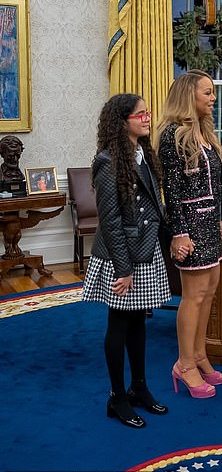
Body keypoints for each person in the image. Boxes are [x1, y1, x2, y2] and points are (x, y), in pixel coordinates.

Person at [82, 94, 171, 429]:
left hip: (145, 250)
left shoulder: (142, 154)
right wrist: (123, 269)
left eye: (148, 112)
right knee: (118, 324)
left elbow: (152, 207)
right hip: (123, 256)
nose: (147, 118)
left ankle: (139, 387)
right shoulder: (107, 160)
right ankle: (117, 397)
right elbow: (111, 219)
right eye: (141, 114)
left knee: (137, 323)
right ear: (122, 121)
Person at [156, 69, 222, 399]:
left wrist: (216, 223)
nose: (213, 98)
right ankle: (184, 363)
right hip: (189, 225)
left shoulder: (203, 132)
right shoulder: (173, 134)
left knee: (210, 291)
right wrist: (179, 233)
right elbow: (170, 189)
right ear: (190, 96)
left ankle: (199, 355)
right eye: (207, 92)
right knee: (193, 295)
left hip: (210, 222)